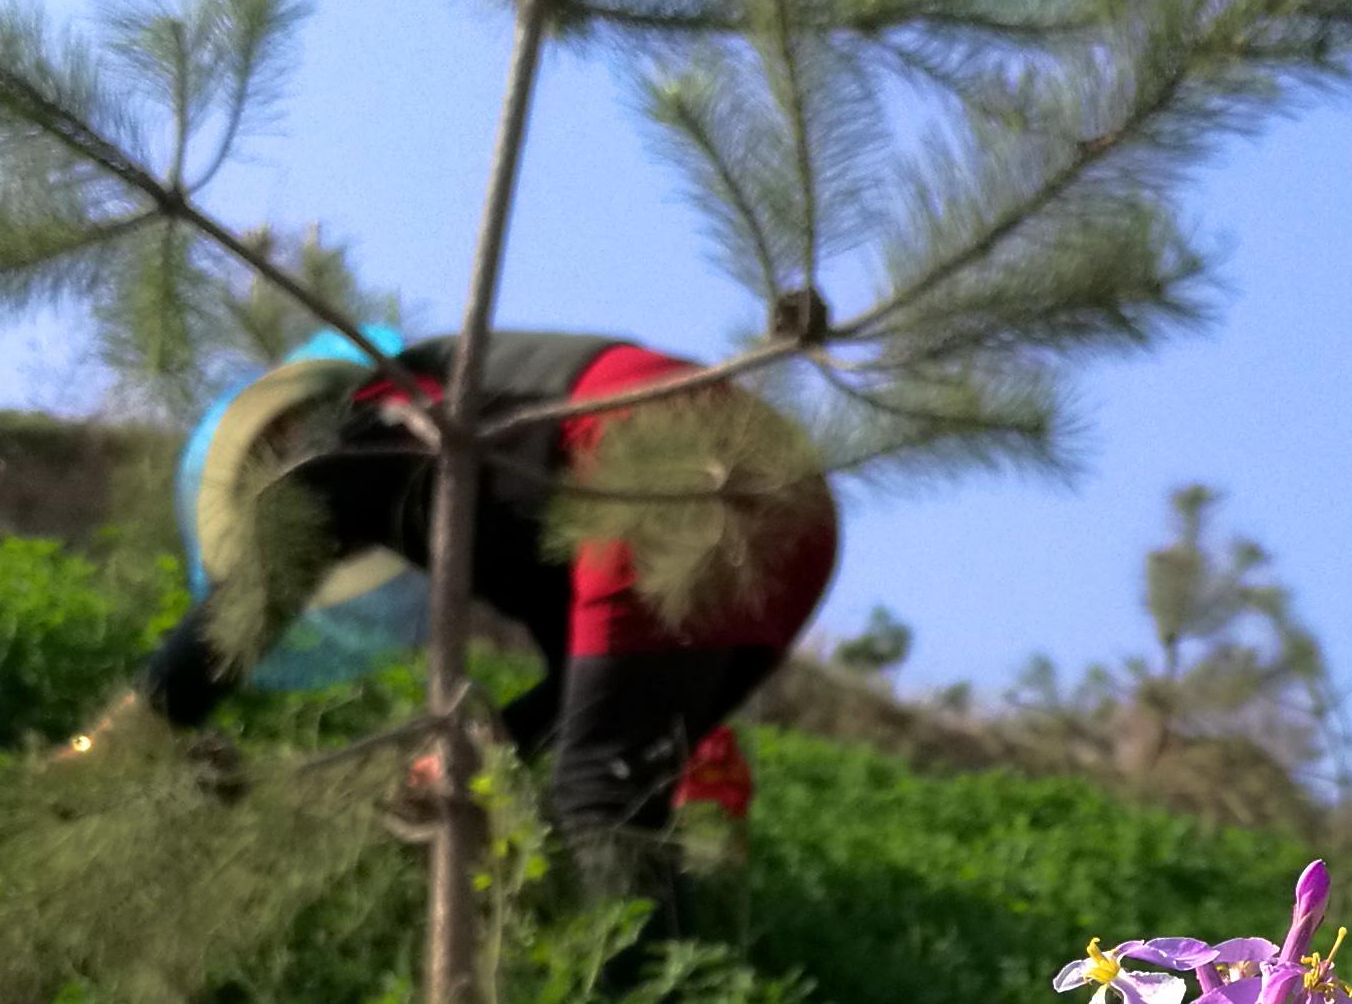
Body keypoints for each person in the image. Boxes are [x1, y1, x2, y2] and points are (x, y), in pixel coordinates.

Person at [86, 328, 839, 929]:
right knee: (615, 776)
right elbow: (579, 698)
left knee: (598, 801)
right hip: (796, 509)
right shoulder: (518, 515)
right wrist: (476, 752)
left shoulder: (388, 404)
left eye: (269, 463)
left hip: (659, 456)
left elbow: (281, 552)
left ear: (295, 419)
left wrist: (128, 730)